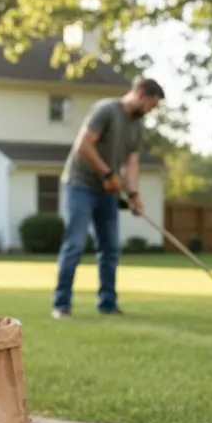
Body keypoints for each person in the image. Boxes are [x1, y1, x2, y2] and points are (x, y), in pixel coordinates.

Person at [51, 76, 164, 319]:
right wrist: (107, 173)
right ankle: (61, 305)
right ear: (141, 95)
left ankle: (107, 304)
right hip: (80, 184)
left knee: (111, 247)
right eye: (151, 106)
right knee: (75, 245)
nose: (151, 111)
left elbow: (131, 162)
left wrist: (133, 194)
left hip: (106, 192)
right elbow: (83, 145)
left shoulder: (137, 125)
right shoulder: (105, 110)